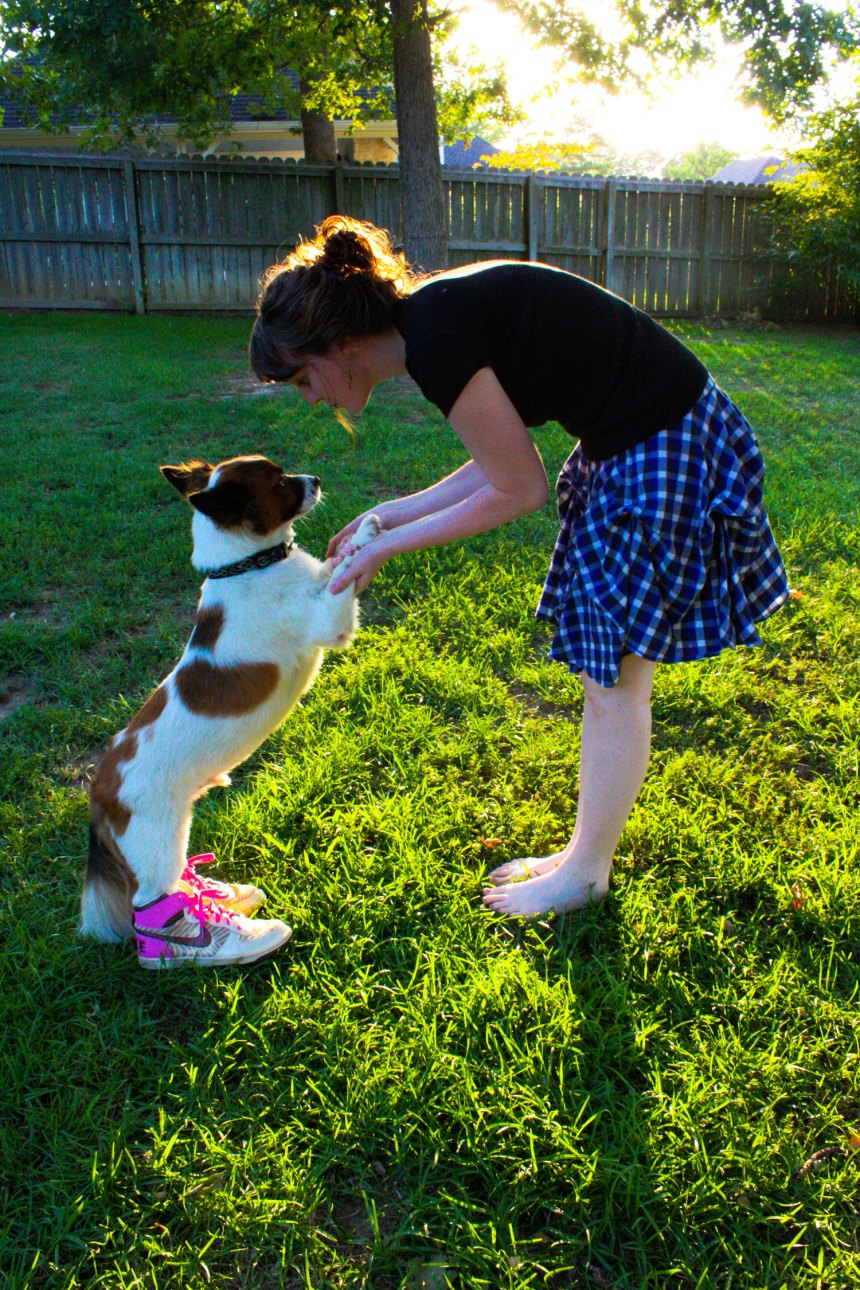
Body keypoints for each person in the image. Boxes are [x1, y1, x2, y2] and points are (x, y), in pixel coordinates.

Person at [249, 215, 789, 919]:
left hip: (663, 446)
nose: (311, 397)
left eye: (301, 378)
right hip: (640, 440)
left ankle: (586, 873)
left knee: (617, 683)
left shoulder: (438, 339)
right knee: (610, 677)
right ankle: (580, 857)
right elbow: (500, 462)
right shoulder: (432, 322)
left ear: (341, 344)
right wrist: (391, 514)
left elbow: (519, 490)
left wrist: (387, 546)